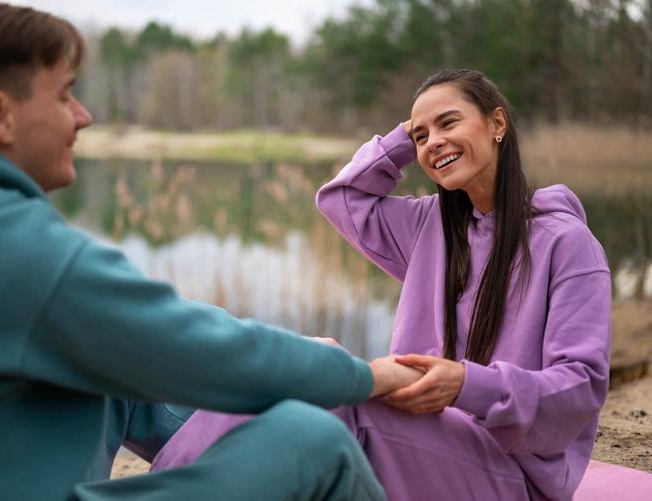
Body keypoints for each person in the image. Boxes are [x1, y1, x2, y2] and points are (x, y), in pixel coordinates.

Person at [0, 3, 421, 500]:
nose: (82, 116)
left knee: (116, 379)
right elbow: (205, 353)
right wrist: (362, 375)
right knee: (317, 445)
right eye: (64, 96)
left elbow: (151, 335)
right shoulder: (9, 246)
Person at [151, 69, 612, 501]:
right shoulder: (430, 225)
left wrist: (465, 386)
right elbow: (342, 198)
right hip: (419, 435)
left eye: (449, 122)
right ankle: (166, 487)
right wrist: (406, 138)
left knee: (337, 403)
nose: (434, 142)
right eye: (422, 136)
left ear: (497, 123)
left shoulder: (567, 244)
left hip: (513, 476)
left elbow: (581, 388)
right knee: (306, 369)